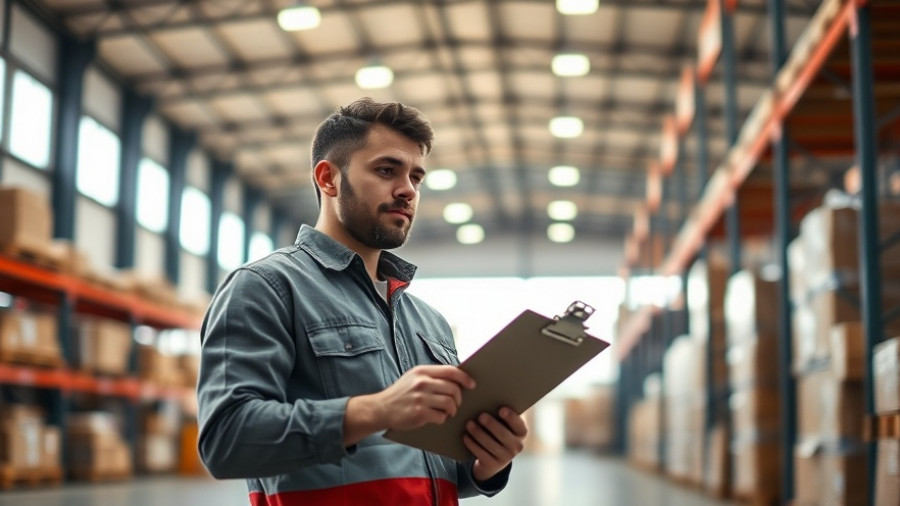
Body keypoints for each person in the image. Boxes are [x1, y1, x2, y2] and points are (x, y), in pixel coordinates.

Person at [197, 98, 527, 506]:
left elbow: (426, 469)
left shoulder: (429, 322)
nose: (408, 189)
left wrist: (484, 466)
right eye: (387, 170)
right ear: (328, 179)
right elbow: (226, 441)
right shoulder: (267, 287)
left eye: (417, 177)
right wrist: (375, 411)